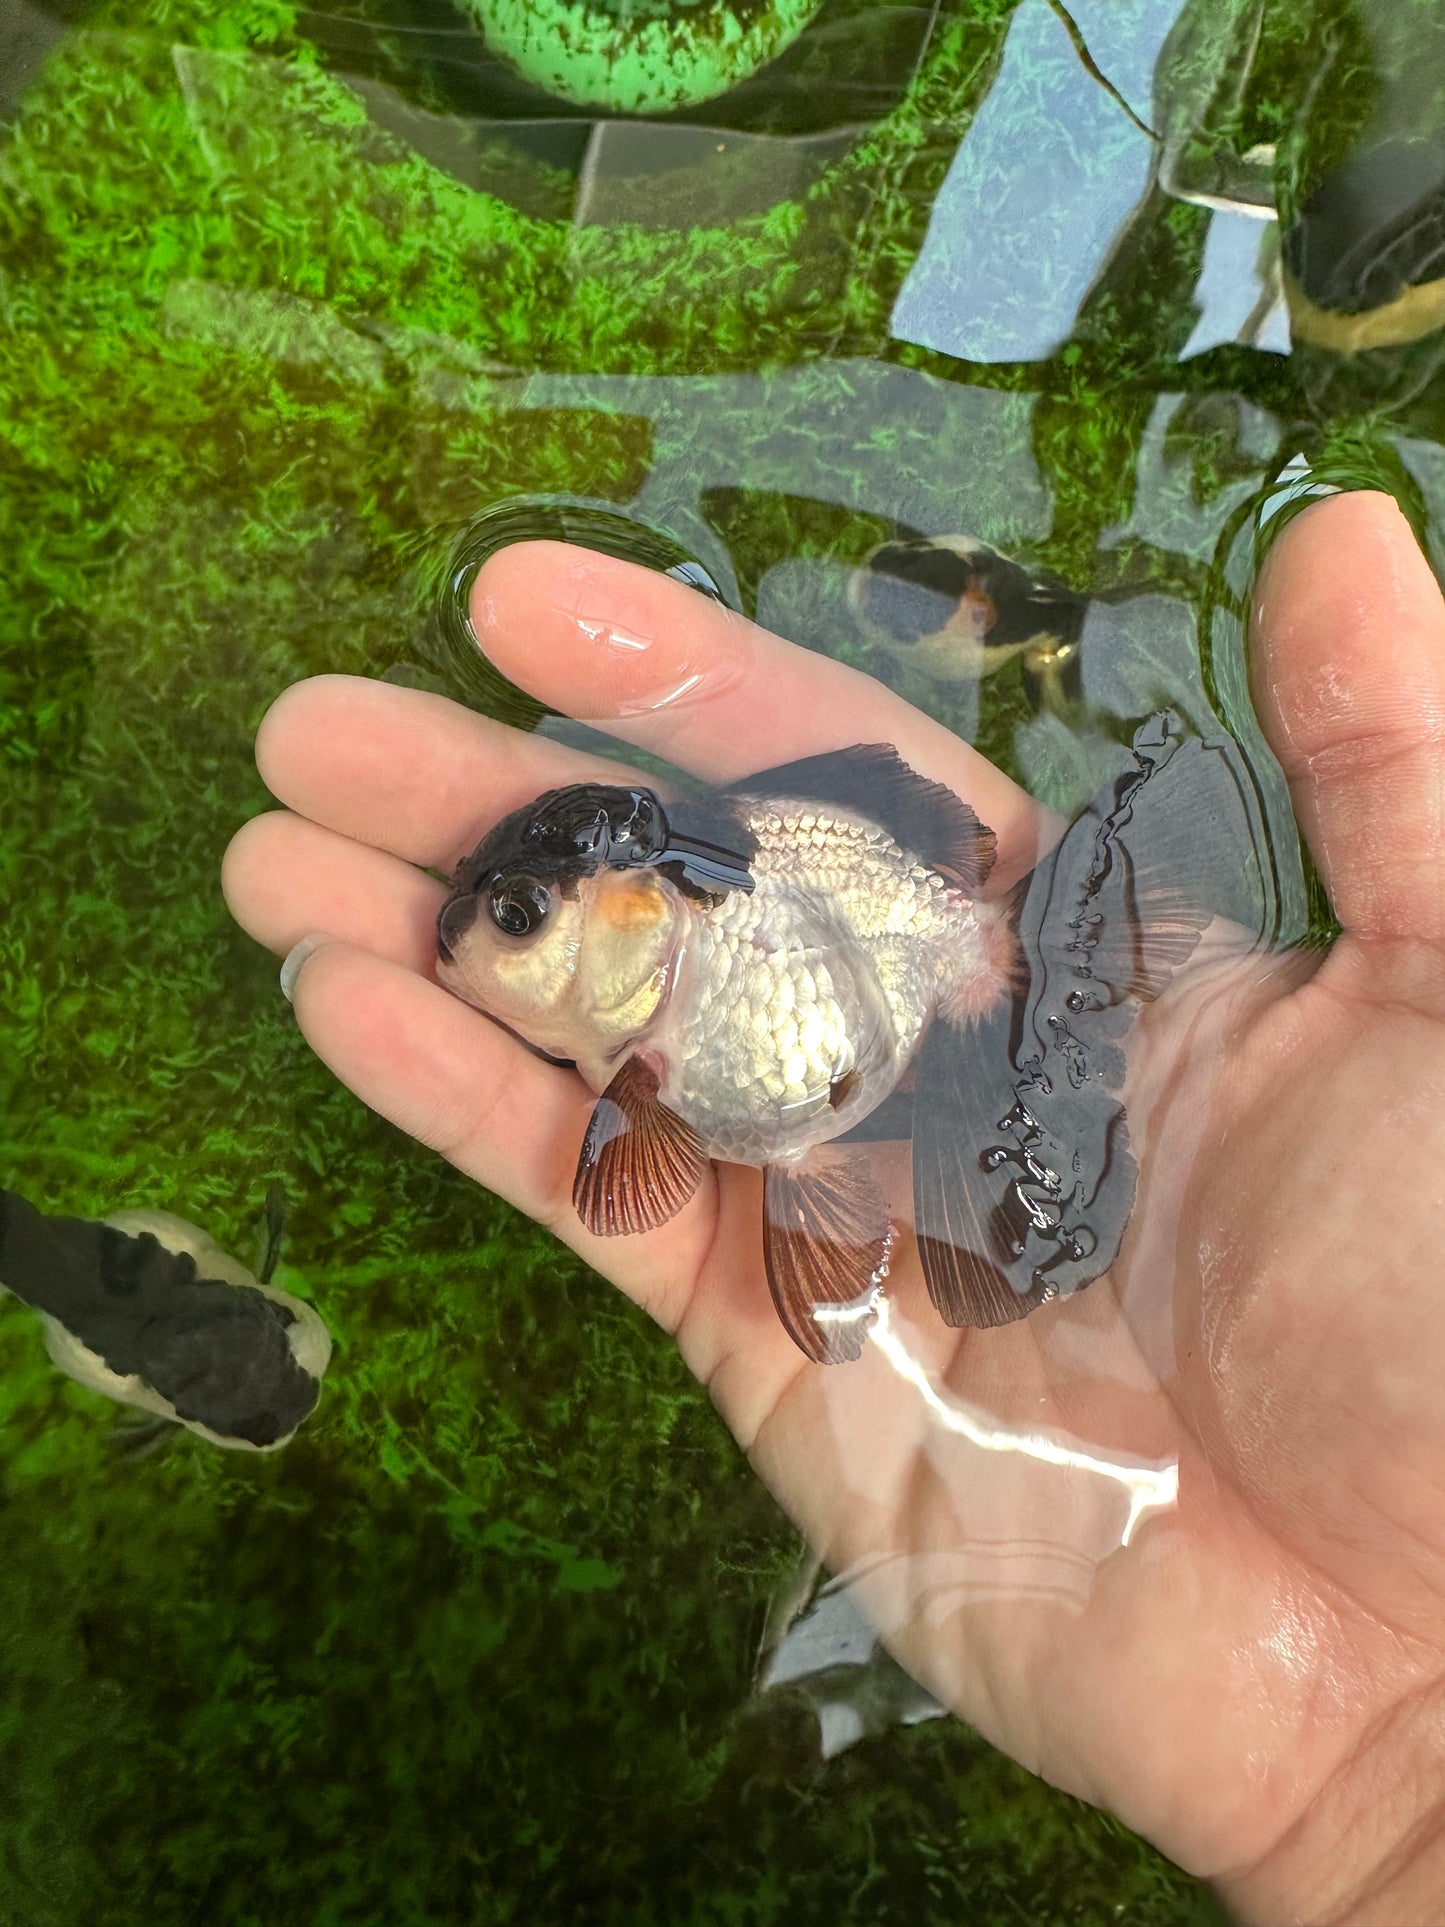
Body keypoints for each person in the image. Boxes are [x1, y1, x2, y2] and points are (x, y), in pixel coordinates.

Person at [223, 490, 1445, 1925]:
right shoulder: (650, 1041)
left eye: (517, 921)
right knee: (824, 1202)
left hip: (891, 991)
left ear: (628, 907)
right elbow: (640, 1162)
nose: (486, 946)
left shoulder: (765, 926)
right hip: (830, 1108)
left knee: (881, 1135)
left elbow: (660, 1142)